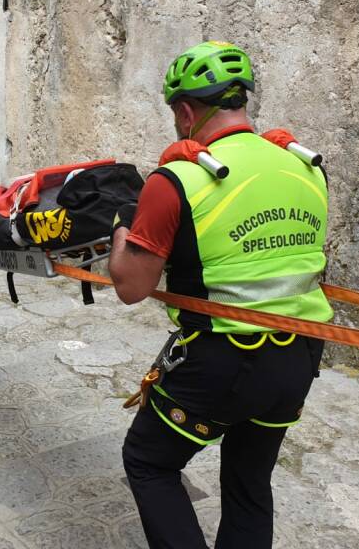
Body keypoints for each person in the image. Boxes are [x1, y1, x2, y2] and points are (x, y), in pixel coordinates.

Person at [108, 41, 331, 549]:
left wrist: (125, 220)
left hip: (219, 362)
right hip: (297, 355)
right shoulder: (306, 166)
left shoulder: (177, 180)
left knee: (148, 462)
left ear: (185, 112)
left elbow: (130, 286)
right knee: (249, 485)